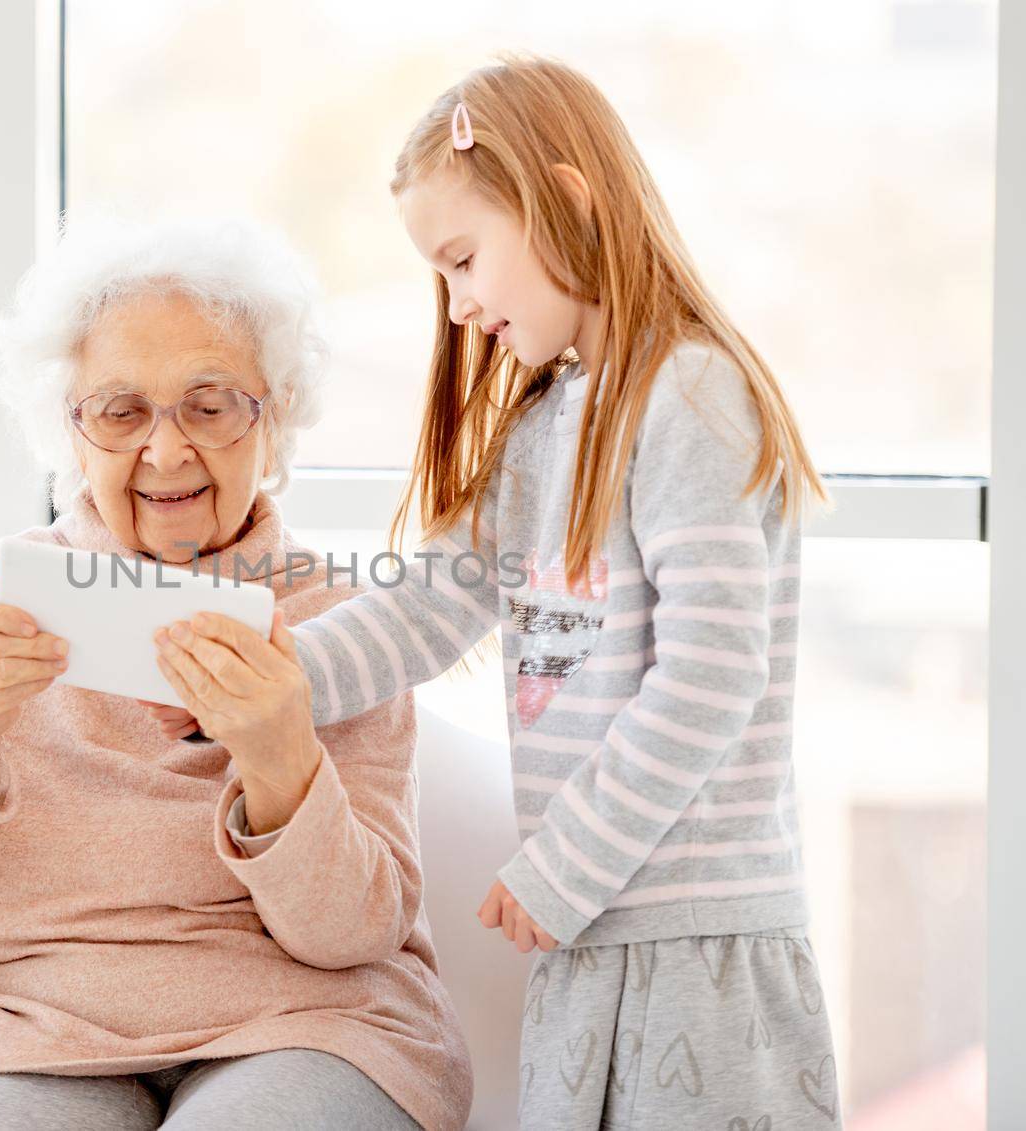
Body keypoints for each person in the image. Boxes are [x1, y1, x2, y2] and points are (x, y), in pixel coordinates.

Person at [149, 56, 843, 1129]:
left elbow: (712, 673)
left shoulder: (688, 395)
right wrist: (265, 684)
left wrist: (565, 862)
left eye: (464, 259)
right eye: (443, 277)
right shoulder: (540, 432)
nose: (462, 305)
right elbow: (421, 611)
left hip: (689, 937)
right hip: (590, 929)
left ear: (564, 199)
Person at [0, 218, 471, 1130]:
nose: (165, 453)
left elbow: (356, 932)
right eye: (122, 412)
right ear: (69, 431)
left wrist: (281, 760)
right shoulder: (4, 591)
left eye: (211, 405)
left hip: (310, 1027)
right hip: (31, 1031)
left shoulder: (339, 620)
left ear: (271, 419)